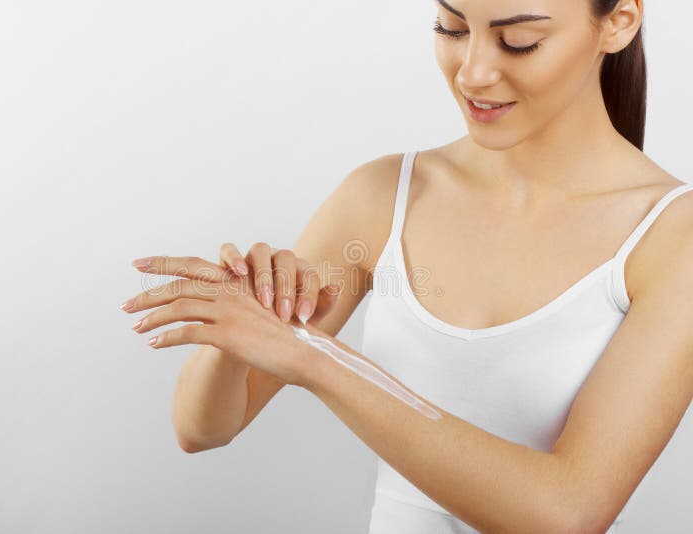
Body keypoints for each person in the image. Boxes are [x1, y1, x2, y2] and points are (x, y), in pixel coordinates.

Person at [127, 0, 693, 531]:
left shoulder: (671, 235)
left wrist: (317, 360)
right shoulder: (384, 195)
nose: (472, 72)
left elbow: (568, 514)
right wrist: (240, 333)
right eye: (451, 28)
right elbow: (201, 429)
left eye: (519, 42)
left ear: (618, 22)